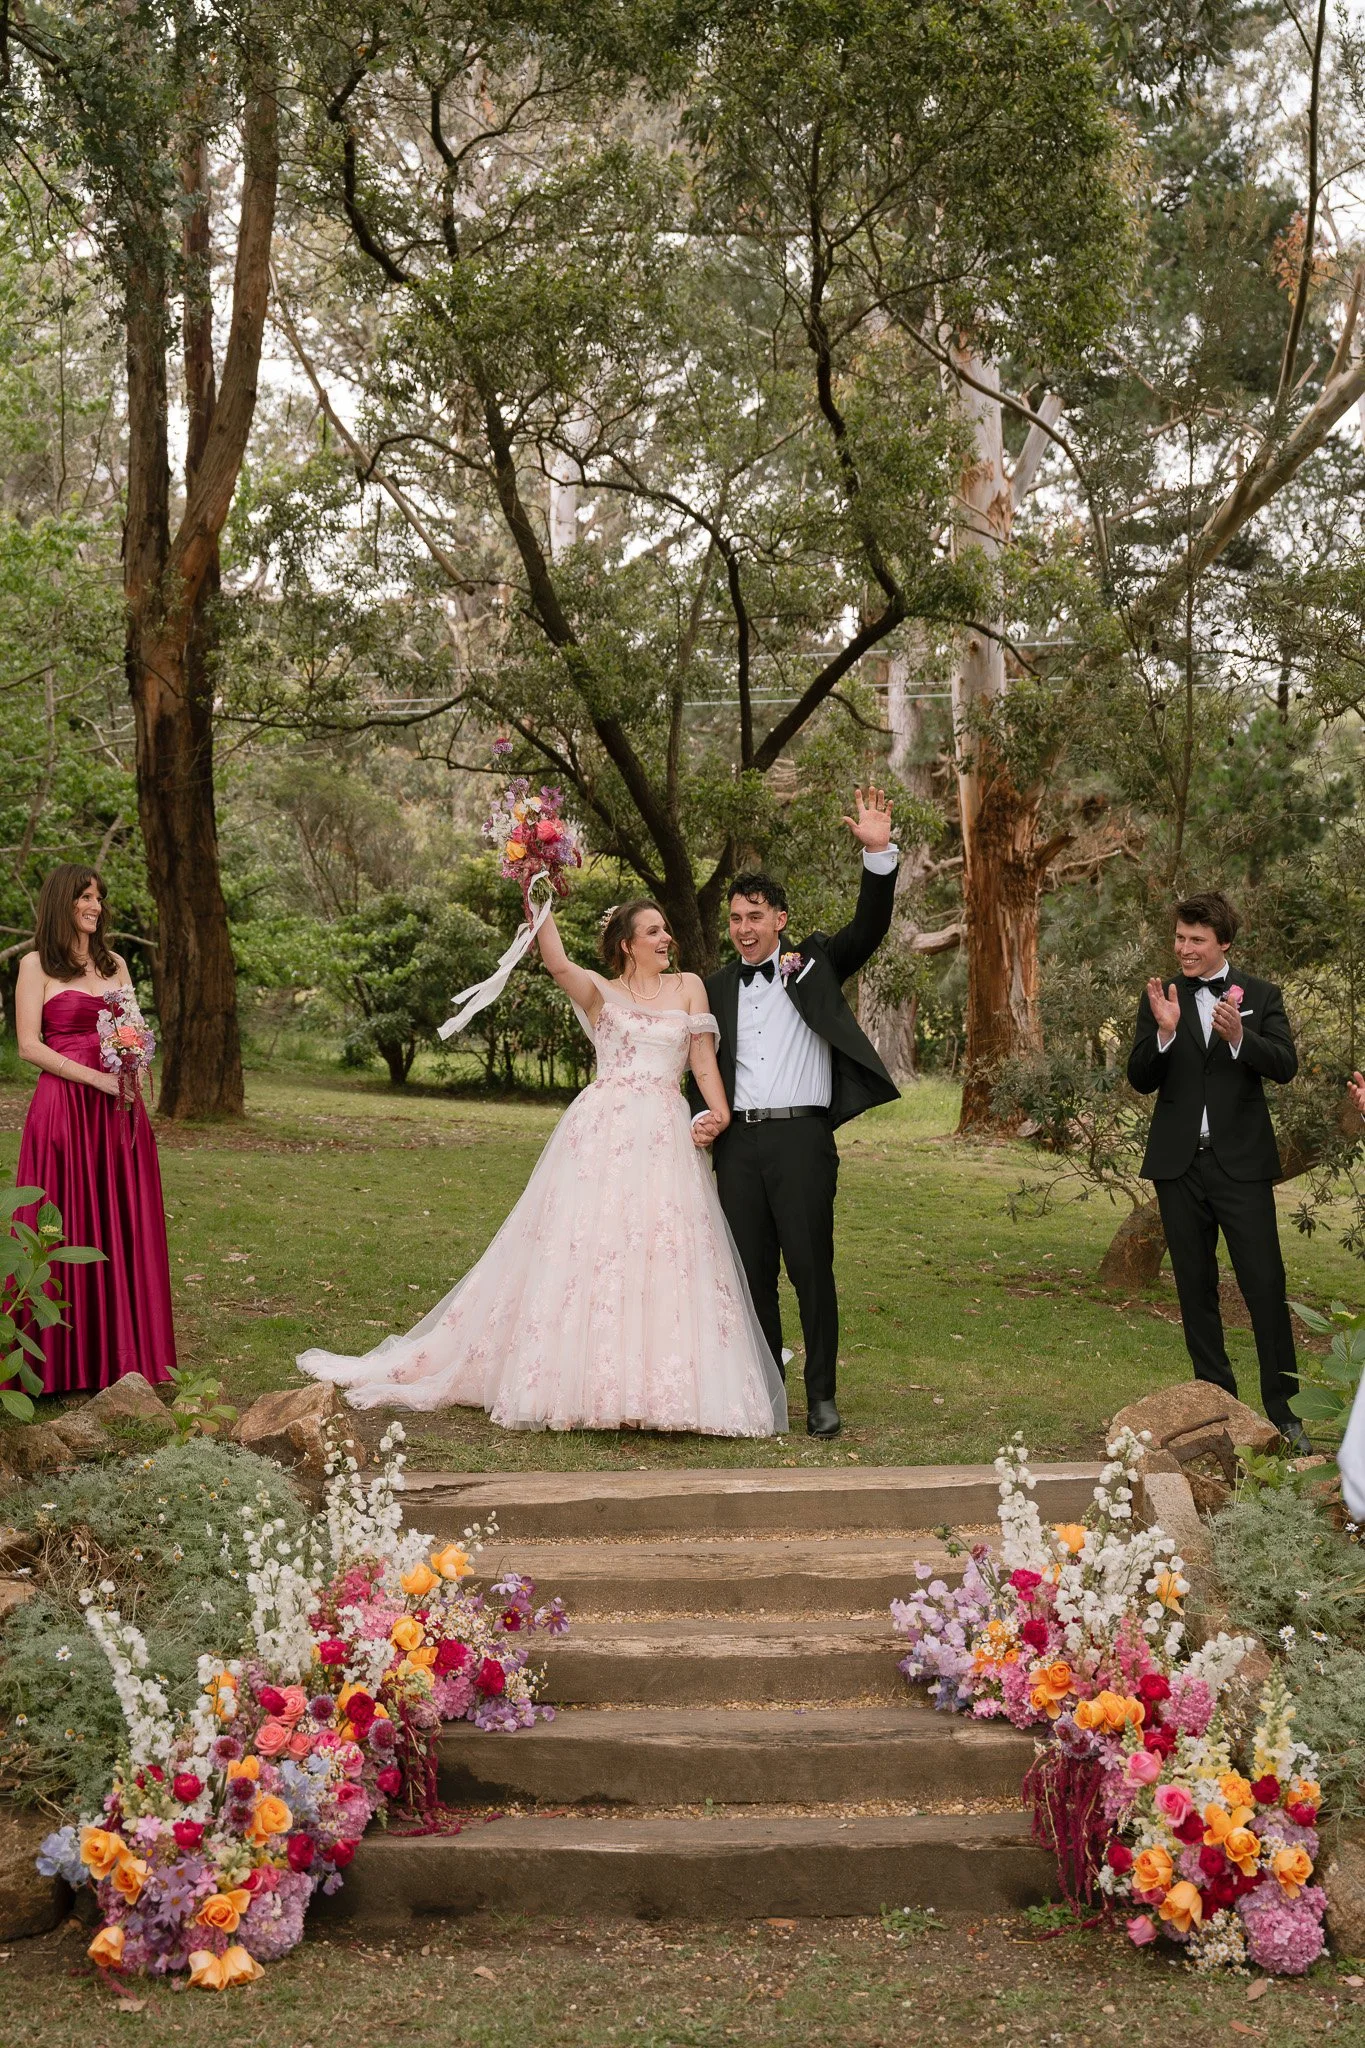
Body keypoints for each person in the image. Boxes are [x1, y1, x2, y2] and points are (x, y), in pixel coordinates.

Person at [297, 901, 786, 1436]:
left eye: (665, 927)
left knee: (663, 1248)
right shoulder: (600, 990)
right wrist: (537, 882)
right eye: (653, 930)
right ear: (628, 943)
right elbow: (555, 964)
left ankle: (662, 1386)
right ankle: (586, 1381)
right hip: (603, 1133)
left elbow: (702, 1060)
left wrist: (717, 1112)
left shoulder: (690, 986)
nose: (665, 936)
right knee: (592, 1249)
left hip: (665, 1133)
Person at [689, 790, 900, 1439]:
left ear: (780, 918)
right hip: (738, 1147)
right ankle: (767, 1395)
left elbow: (867, 928)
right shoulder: (715, 985)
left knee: (811, 1271)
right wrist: (701, 1117)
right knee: (752, 1277)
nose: (744, 929)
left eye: (754, 916)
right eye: (734, 919)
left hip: (803, 1140)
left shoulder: (812, 966)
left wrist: (876, 854)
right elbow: (696, 1064)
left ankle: (823, 1398)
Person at [1126, 889, 1308, 1453]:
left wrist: (1239, 1039)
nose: (1184, 949)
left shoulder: (1261, 995)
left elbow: (1284, 1065)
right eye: (1179, 938)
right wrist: (1162, 1032)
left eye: (1196, 941)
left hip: (1242, 1169)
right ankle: (1215, 1407)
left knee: (1264, 1288)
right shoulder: (1161, 996)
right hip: (1179, 1168)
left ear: (1223, 942)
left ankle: (1286, 1416)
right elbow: (1139, 1076)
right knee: (1195, 1290)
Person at [13, 865, 176, 1393]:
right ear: (64, 900)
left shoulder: (116, 964)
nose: (96, 906)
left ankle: (125, 1356)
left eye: (99, 898)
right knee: (68, 1220)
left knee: (119, 1218)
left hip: (118, 1114)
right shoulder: (35, 965)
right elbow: (29, 1046)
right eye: (86, 896)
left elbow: (132, 1027)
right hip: (64, 1108)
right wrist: (95, 1080)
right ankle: (58, 1365)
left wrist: (134, 1065)